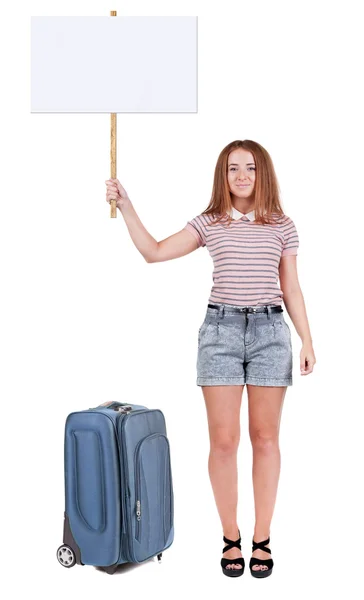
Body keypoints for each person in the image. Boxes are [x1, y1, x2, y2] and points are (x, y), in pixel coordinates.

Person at [105, 139, 316, 578]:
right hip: (219, 334)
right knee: (223, 442)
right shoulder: (210, 223)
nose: (242, 176)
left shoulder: (282, 225)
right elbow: (155, 252)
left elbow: (291, 287)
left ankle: (262, 538)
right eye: (233, 168)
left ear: (264, 175)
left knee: (266, 439)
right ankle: (230, 537)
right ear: (222, 175)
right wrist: (126, 206)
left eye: (251, 168)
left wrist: (307, 340)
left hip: (270, 333)